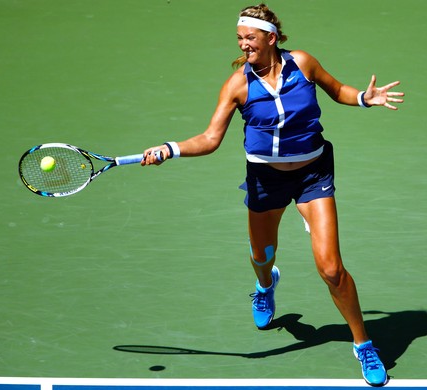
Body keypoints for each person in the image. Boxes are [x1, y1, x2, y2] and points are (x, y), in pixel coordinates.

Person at [142, 3, 404, 386]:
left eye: (250, 37)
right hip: (265, 180)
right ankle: (265, 286)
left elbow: (337, 90)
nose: (243, 44)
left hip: (313, 175)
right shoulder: (238, 85)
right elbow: (210, 139)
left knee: (331, 268)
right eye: (239, 39)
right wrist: (170, 148)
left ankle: (363, 345)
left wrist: (365, 98)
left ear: (271, 37)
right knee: (261, 256)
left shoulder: (303, 63)